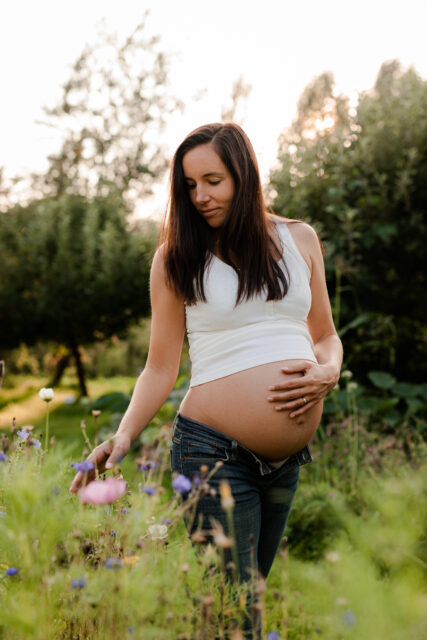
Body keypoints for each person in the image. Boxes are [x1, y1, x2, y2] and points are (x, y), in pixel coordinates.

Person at [70, 123, 343, 638]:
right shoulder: (177, 258)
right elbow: (159, 366)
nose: (200, 197)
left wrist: (330, 369)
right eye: (190, 186)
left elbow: (325, 335)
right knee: (238, 612)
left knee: (244, 602)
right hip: (212, 451)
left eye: (213, 181)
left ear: (244, 174)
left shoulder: (299, 238)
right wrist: (124, 434)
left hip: (285, 463)